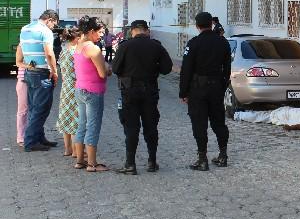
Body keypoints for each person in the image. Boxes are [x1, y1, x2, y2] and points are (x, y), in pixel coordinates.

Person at [112, 20, 173, 175]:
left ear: (132, 31)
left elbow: (115, 68)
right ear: (147, 30)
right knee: (151, 127)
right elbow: (167, 68)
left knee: (131, 127)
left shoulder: (125, 46)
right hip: (150, 91)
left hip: (129, 92)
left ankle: (130, 164)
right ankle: (152, 161)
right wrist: (154, 69)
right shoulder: (156, 46)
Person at [180, 12, 231, 171]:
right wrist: (222, 86)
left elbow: (186, 69)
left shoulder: (194, 43)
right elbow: (227, 68)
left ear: (197, 26)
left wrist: (183, 92)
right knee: (219, 122)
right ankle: (223, 155)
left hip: (198, 89)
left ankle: (202, 159)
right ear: (211, 24)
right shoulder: (223, 42)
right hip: (216, 87)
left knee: (199, 124)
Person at [73, 16, 111, 172]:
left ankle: (80, 161)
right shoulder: (93, 49)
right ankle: (92, 164)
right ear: (91, 31)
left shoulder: (78, 46)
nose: (101, 35)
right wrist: (109, 69)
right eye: (100, 32)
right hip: (93, 91)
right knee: (93, 126)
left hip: (80, 89)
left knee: (81, 125)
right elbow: (102, 73)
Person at [19, 9, 59, 152]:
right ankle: (30, 142)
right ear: (50, 20)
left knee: (34, 108)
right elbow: (49, 53)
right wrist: (54, 71)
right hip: (42, 73)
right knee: (42, 108)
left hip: (30, 72)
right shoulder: (45, 31)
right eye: (54, 24)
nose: (53, 27)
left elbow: (20, 48)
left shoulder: (25, 28)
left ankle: (39, 137)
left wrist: (25, 62)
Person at [56, 27, 81, 157]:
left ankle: (67, 149)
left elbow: (61, 70)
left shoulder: (63, 52)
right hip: (75, 87)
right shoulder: (76, 53)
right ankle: (76, 152)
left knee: (65, 117)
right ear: (77, 38)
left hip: (65, 88)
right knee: (75, 119)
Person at [14, 46, 29, 148]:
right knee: (23, 111)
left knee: (36, 110)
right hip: (23, 81)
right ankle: (21, 137)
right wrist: (30, 66)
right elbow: (18, 62)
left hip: (35, 80)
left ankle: (36, 135)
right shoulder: (22, 46)